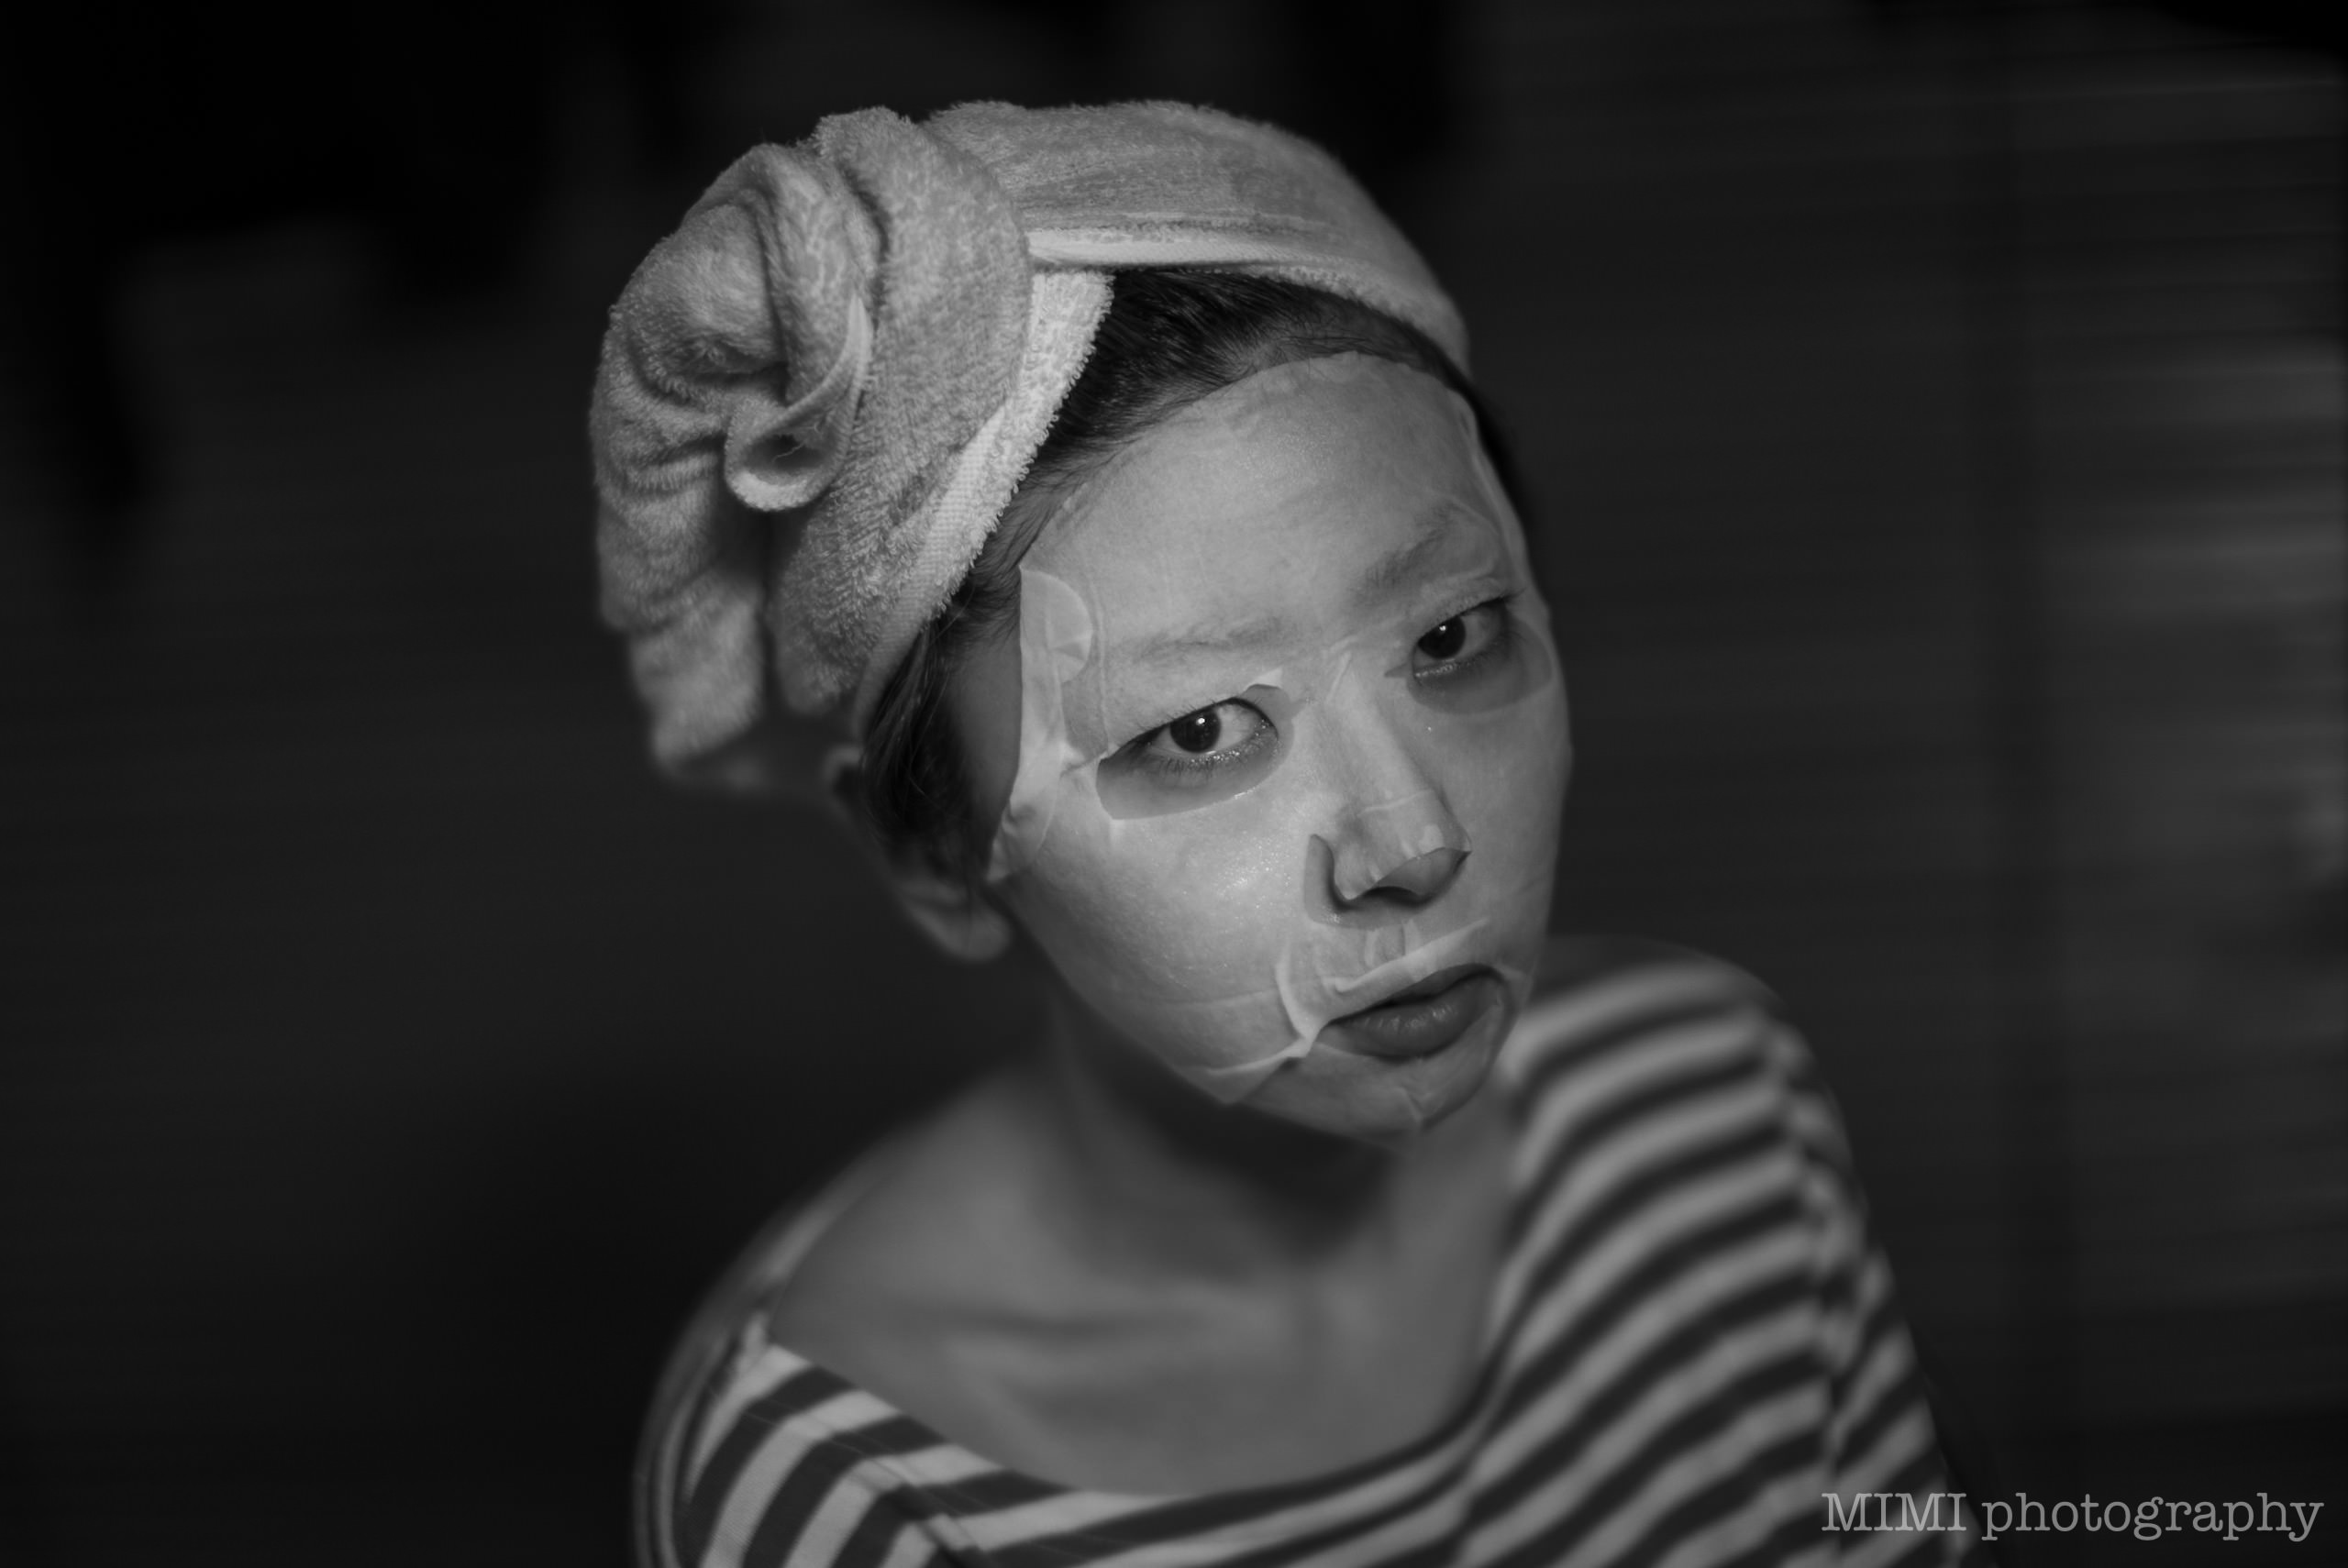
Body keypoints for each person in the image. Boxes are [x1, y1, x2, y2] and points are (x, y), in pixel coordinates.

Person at [590, 101, 1987, 1568]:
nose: (1413, 843)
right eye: (1197, 730)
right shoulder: (837, 1484)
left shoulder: (1717, 1109)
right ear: (932, 858)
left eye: (1450, 637)